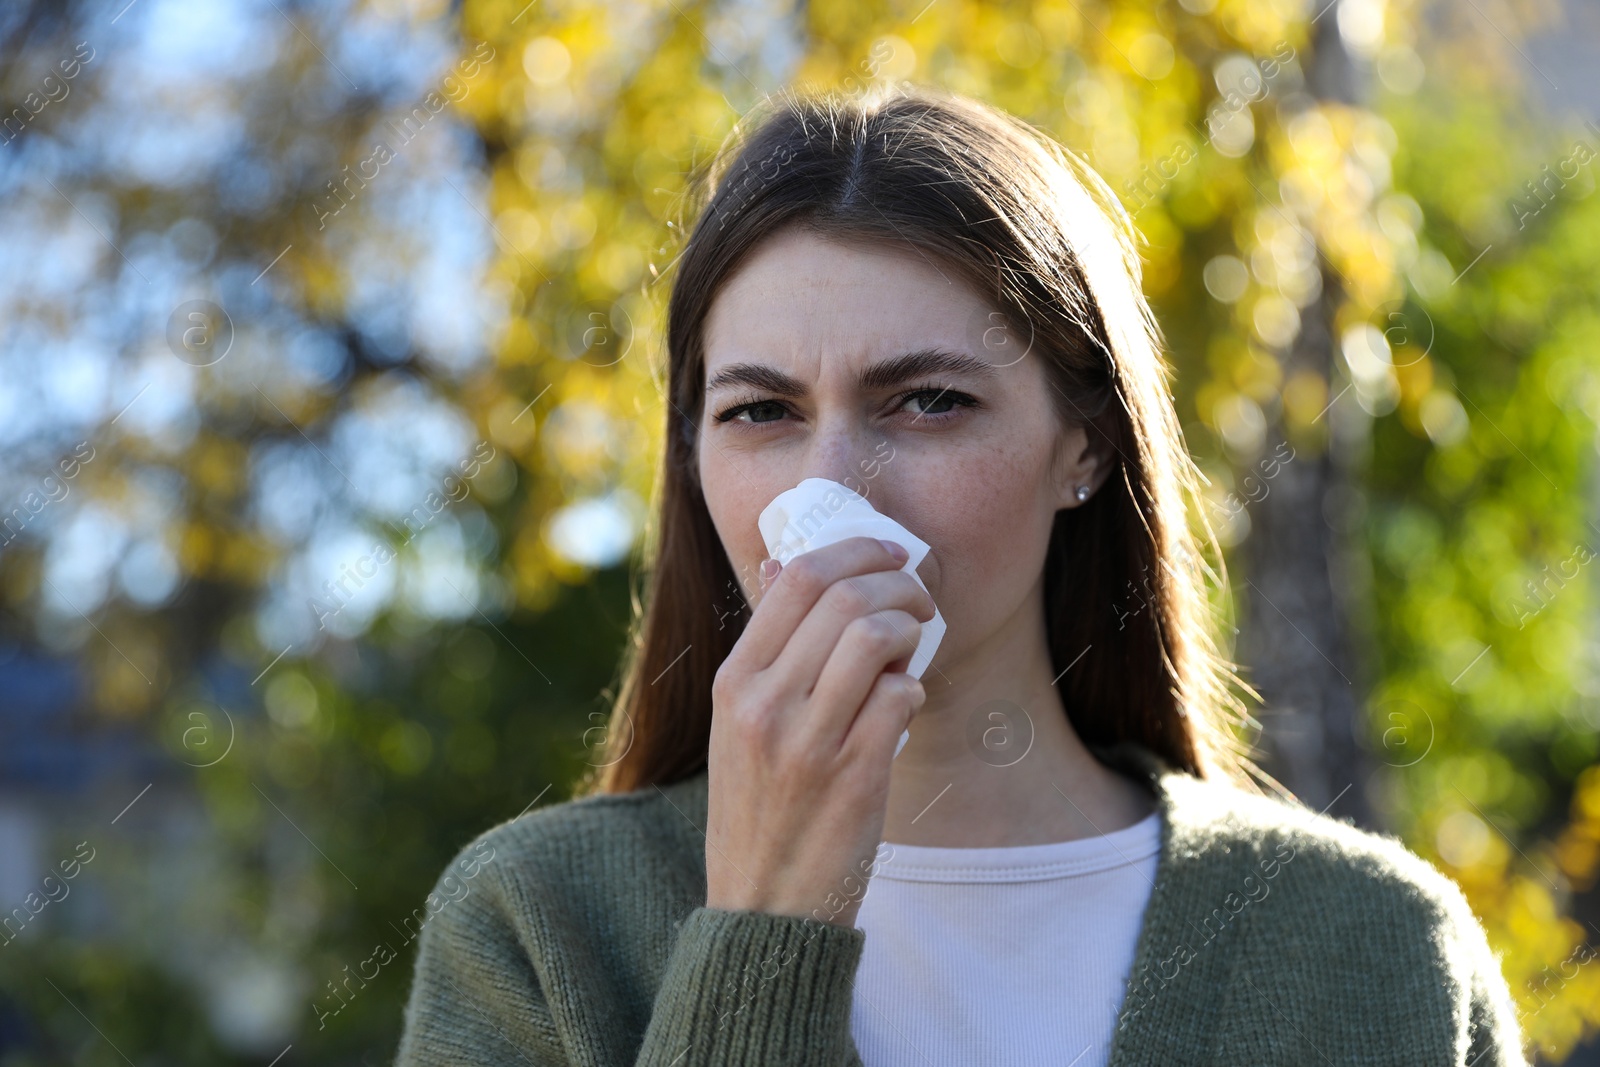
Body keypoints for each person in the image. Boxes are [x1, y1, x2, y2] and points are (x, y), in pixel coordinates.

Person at [393, 83, 1527, 1066]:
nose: (833, 487)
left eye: (928, 399)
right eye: (760, 411)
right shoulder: (535, 924)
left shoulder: (1373, 947)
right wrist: (762, 934)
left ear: (1081, 443)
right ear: (691, 460)